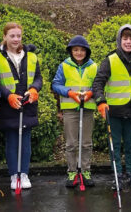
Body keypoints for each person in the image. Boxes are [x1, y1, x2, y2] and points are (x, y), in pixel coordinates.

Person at [92, 24, 131, 190]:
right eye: (125, 39)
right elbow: (98, 82)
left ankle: (130, 172)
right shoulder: (110, 59)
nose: (128, 42)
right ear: (119, 40)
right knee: (114, 146)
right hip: (113, 112)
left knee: (130, 145)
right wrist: (101, 101)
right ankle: (117, 174)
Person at [0, 22, 42, 190]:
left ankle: (24, 173)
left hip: (27, 104)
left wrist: (34, 89)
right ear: (5, 36)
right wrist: (8, 95)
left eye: (18, 36)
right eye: (12, 36)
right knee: (12, 141)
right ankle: (14, 175)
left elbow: (38, 78)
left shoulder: (31, 56)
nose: (15, 39)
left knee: (25, 141)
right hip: (8, 105)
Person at [52, 35, 96, 188]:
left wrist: (90, 93)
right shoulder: (64, 66)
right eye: (75, 50)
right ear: (71, 51)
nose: (78, 53)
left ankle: (85, 171)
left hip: (88, 108)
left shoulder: (93, 66)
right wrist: (69, 93)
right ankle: (72, 172)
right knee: (71, 143)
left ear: (87, 52)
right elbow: (56, 84)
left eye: (82, 50)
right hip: (70, 109)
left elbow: (98, 85)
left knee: (86, 143)